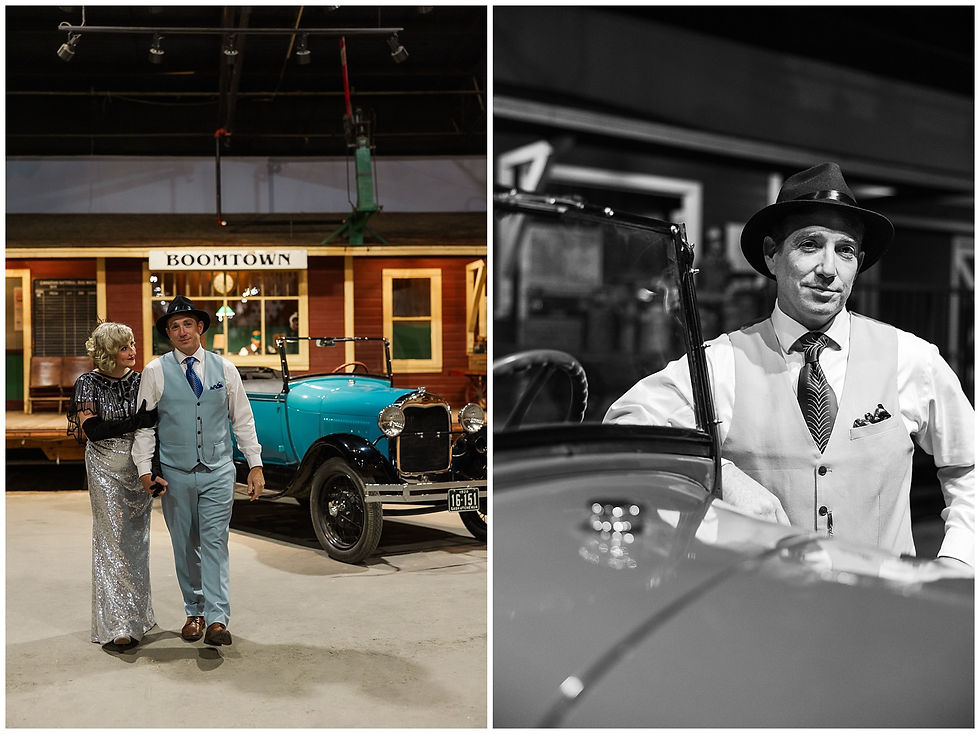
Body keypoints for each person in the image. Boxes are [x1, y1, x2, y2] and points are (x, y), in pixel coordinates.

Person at [605, 162, 974, 571]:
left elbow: (970, 465)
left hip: (881, 601)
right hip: (761, 600)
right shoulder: (721, 362)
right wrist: (719, 477)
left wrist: (959, 559)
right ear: (772, 254)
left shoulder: (911, 357)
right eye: (810, 245)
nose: (829, 269)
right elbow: (623, 432)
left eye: (845, 250)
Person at [132, 295, 265, 646]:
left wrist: (254, 465)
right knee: (184, 544)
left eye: (187, 324)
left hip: (218, 469)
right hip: (175, 472)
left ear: (200, 327)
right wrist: (144, 469)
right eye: (174, 326)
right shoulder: (155, 371)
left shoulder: (226, 369)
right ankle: (195, 611)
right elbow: (145, 426)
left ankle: (217, 619)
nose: (182, 331)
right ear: (168, 333)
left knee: (215, 542)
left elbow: (243, 420)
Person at [67, 322, 159, 649]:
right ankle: (118, 623)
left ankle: (138, 617)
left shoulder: (141, 381)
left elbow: (152, 430)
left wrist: (153, 468)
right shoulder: (87, 383)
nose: (132, 351)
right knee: (112, 540)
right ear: (108, 353)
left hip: (137, 466)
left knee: (137, 542)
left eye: (132, 344)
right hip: (104, 466)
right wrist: (136, 421)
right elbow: (92, 430)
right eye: (123, 347)